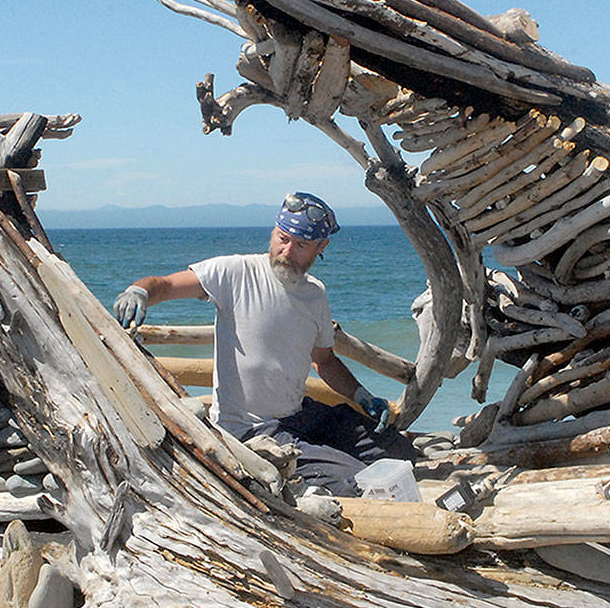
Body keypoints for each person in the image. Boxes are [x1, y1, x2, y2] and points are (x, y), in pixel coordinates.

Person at [112, 191, 416, 496]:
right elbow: (165, 285)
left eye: (301, 245)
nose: (287, 251)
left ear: (321, 247)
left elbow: (324, 361)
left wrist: (362, 396)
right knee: (355, 481)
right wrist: (139, 292)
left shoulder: (315, 294)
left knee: (400, 452)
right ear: (273, 232)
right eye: (283, 238)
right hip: (252, 429)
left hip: (300, 414)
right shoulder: (235, 272)